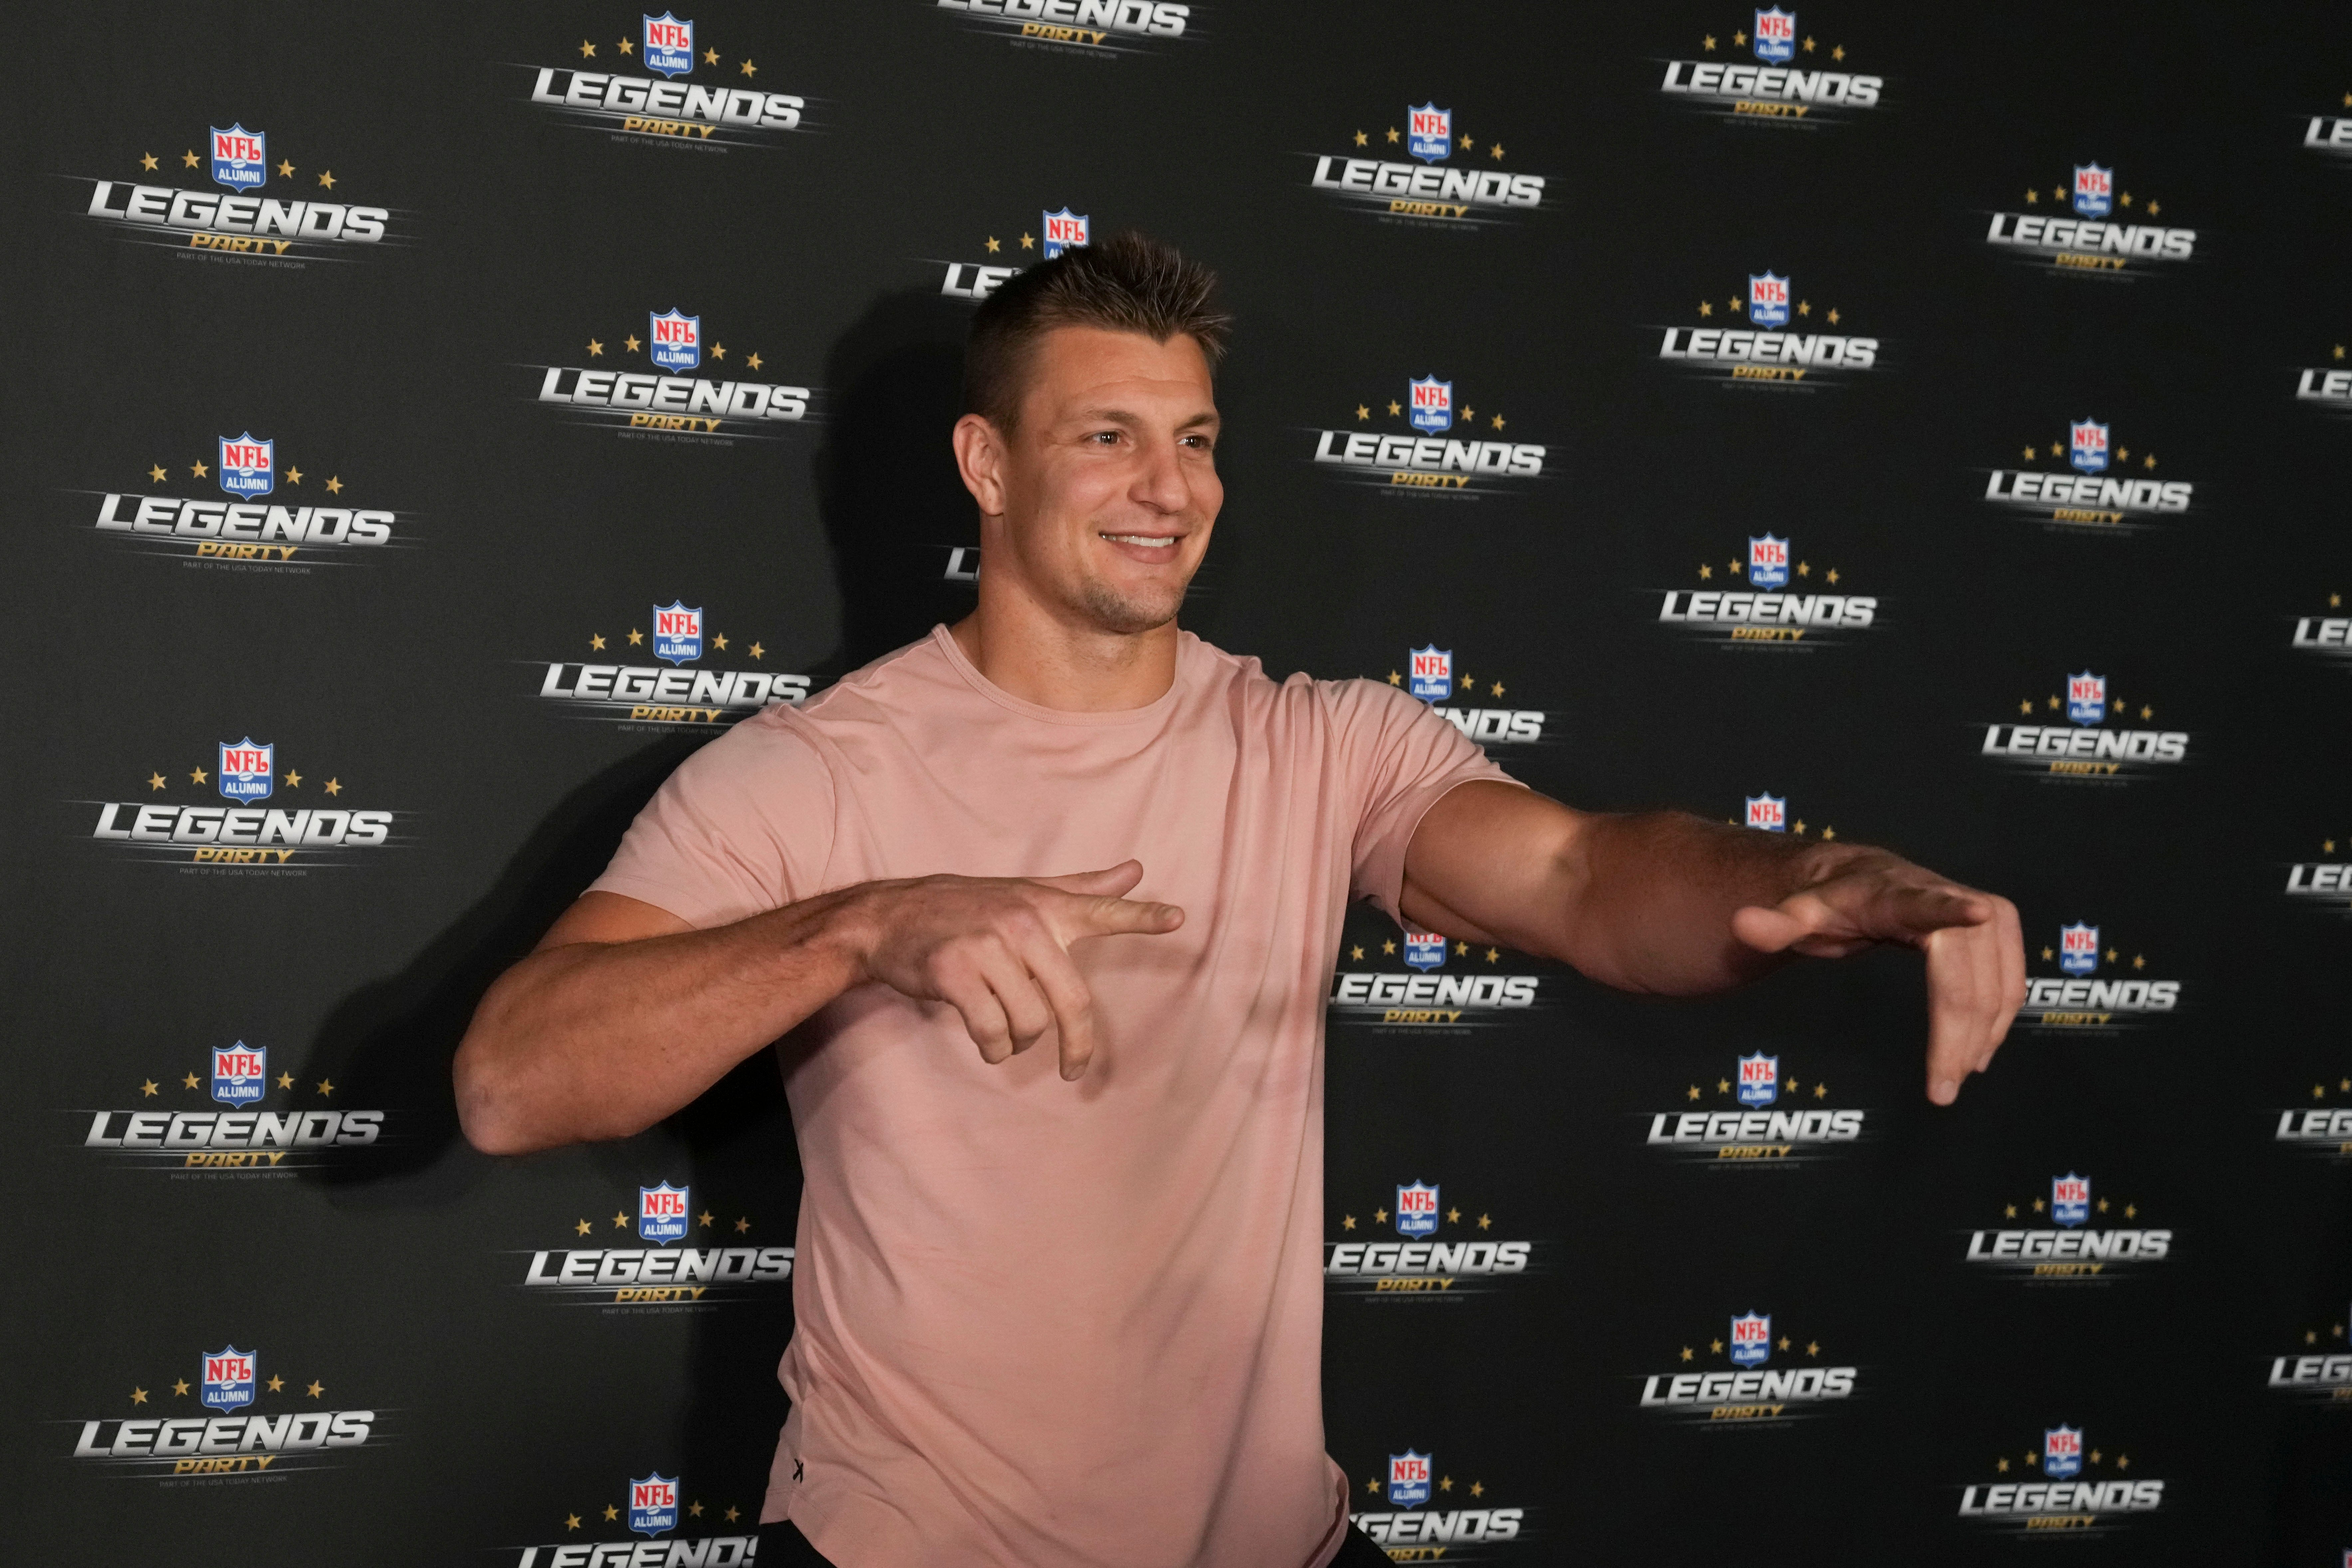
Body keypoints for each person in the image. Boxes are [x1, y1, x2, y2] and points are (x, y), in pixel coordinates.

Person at [453, 233, 2026, 1568]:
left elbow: (1582, 873)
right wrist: (865, 922)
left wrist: (1803, 875)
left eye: (1197, 437)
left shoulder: (1318, 739)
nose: (1170, 487)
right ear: (987, 463)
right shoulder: (814, 773)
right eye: (1109, 436)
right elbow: (515, 1078)